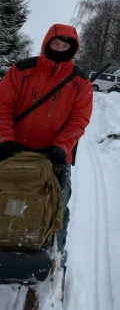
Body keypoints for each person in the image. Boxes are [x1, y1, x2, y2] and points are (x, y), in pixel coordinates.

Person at [0, 24, 93, 260]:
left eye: (65, 46)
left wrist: (62, 147)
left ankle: (55, 253)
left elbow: (79, 119)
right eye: (55, 44)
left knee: (58, 206)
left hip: (54, 156)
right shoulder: (21, 70)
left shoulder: (80, 81)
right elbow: (3, 106)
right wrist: (5, 138)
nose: (60, 49)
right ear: (46, 43)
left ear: (73, 50)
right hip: (15, 151)